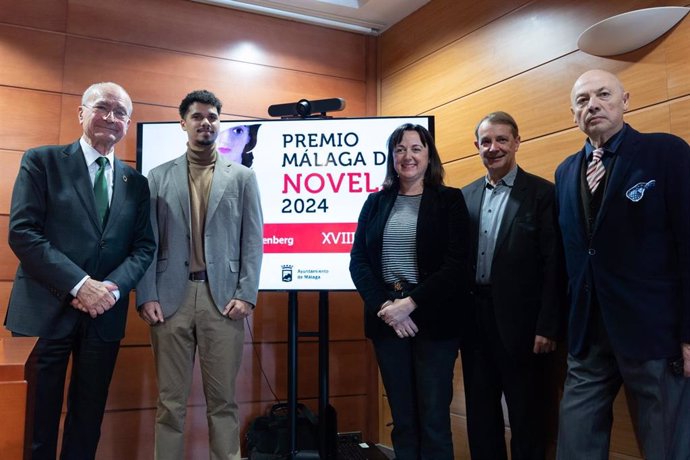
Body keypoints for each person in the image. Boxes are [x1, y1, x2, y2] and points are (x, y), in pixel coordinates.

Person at [4, 82, 156, 460]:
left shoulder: (135, 183)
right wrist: (80, 285)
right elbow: (23, 233)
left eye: (121, 112)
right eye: (102, 107)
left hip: (104, 315)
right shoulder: (42, 161)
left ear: (128, 123)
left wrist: (110, 290)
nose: (111, 117)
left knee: (88, 421)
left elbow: (144, 247)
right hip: (44, 311)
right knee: (35, 418)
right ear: (81, 112)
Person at [555, 69, 690, 460]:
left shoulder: (666, 152)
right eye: (582, 100)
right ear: (573, 113)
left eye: (603, 95)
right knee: (575, 446)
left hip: (653, 334)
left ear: (625, 101)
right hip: (587, 336)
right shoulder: (565, 173)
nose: (592, 104)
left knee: (668, 449)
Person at [136, 89, 263, 460]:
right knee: (169, 403)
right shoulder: (158, 176)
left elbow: (252, 240)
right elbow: (147, 241)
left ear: (219, 123)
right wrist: (147, 295)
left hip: (222, 301)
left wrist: (247, 293)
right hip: (169, 300)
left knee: (223, 402)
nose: (205, 122)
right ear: (183, 123)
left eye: (212, 117)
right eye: (197, 116)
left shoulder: (241, 177)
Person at [349, 123, 471, 460]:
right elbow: (358, 261)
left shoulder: (449, 200)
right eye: (400, 149)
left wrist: (411, 304)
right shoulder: (375, 202)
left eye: (416, 148)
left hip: (435, 321)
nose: (408, 156)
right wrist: (389, 306)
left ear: (429, 155)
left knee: (433, 417)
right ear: (391, 156)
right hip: (387, 320)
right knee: (402, 418)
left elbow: (456, 264)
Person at [461, 111, 563, 460]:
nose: (494, 148)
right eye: (486, 141)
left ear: (517, 142)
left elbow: (555, 266)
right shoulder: (465, 196)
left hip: (525, 328)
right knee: (480, 416)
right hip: (474, 324)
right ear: (477, 146)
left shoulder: (543, 194)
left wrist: (547, 325)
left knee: (527, 418)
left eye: (502, 139)